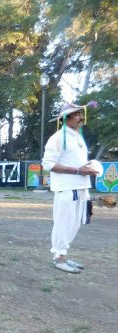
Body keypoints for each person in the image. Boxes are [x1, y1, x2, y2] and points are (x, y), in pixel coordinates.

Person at [41, 103, 99, 273]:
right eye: (77, 114)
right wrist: (78, 170)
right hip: (66, 188)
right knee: (63, 223)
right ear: (67, 118)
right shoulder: (58, 137)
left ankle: (63, 255)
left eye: (81, 114)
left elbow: (77, 162)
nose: (81, 117)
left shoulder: (77, 136)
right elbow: (48, 164)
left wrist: (89, 167)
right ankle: (59, 259)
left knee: (74, 224)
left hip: (81, 187)